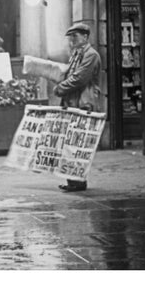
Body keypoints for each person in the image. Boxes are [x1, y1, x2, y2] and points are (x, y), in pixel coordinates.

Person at [53, 23, 101, 192]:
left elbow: (80, 78)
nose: (72, 40)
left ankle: (78, 181)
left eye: (75, 36)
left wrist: (60, 88)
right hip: (72, 102)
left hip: (83, 103)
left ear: (86, 37)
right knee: (70, 144)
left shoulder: (91, 55)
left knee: (79, 145)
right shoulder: (76, 54)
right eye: (71, 37)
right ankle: (73, 180)